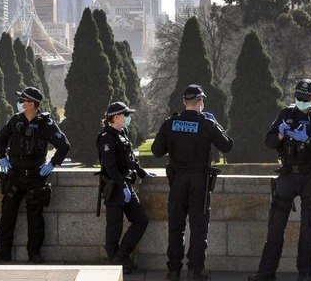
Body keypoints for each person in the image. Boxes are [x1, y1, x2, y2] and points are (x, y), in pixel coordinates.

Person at [248, 79, 311, 281]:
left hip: (310, 176)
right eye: (298, 99)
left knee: (307, 229)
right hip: (288, 174)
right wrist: (280, 134)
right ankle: (266, 272)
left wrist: (308, 140)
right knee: (275, 227)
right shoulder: (286, 114)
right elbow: (269, 142)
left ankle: (305, 274)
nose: (302, 102)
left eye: (305, 99)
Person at [152, 84, 233, 281]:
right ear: (200, 102)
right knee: (198, 227)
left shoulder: (170, 123)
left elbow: (156, 151)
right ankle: (196, 270)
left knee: (176, 226)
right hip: (199, 182)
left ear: (183, 102)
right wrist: (216, 126)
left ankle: (173, 270)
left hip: (178, 181)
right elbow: (227, 145)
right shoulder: (207, 124)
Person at [0, 86, 70, 264]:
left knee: (35, 218)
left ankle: (34, 254)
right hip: (14, 175)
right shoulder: (15, 121)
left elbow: (64, 145)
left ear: (32, 104)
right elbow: (1, 139)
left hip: (35, 177)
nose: (20, 103)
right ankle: (3, 251)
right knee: (7, 215)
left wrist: (52, 164)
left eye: (23, 101)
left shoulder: (45, 124)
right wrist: (3, 158)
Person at [97, 101, 152, 274]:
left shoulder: (123, 133)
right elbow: (110, 166)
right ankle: (116, 261)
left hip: (126, 184)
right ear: (116, 117)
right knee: (114, 226)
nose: (128, 118)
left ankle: (121, 256)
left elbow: (131, 160)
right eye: (125, 115)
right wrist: (122, 187)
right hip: (115, 187)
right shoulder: (106, 137)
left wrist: (142, 174)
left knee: (141, 220)